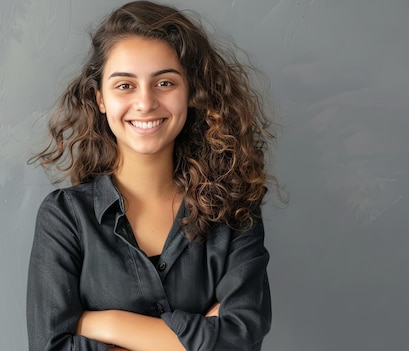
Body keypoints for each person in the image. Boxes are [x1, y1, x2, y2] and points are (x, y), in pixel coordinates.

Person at [27, 1, 275, 350]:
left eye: (164, 82)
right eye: (125, 86)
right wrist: (201, 336)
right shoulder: (65, 218)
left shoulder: (233, 212)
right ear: (100, 99)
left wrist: (105, 323)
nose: (145, 103)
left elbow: (241, 339)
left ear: (191, 92)